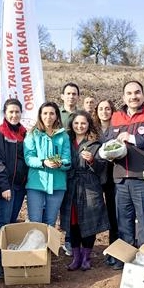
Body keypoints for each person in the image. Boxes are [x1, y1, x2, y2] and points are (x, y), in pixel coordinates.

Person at [105, 80, 144, 268]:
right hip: (120, 178)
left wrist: (131, 138)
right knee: (123, 222)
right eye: (129, 93)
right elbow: (108, 140)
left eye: (137, 92)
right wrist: (107, 151)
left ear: (143, 95)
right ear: (123, 97)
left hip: (142, 178)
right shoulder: (116, 116)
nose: (133, 97)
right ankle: (126, 261)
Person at [0, 98, 28, 279]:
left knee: (10, 224)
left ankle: (7, 259)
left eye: (17, 112)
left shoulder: (24, 133)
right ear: (5, 113)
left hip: (19, 187)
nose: (14, 115)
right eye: (11, 112)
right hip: (3, 187)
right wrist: (4, 186)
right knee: (2, 223)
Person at [66, 111, 109, 271]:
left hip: (90, 186)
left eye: (83, 123)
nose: (80, 126)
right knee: (73, 223)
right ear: (72, 125)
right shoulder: (66, 142)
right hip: (72, 186)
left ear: (89, 125)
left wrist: (92, 160)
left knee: (89, 221)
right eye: (76, 123)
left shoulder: (96, 144)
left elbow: (102, 168)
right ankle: (76, 257)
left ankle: (86, 258)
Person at [24, 101, 71, 226]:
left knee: (50, 222)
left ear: (56, 116)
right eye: (45, 113)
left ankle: (48, 240)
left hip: (57, 185)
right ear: (40, 115)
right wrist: (43, 162)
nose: (48, 116)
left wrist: (60, 163)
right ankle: (36, 240)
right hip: (36, 184)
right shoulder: (32, 134)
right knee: (35, 222)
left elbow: (67, 160)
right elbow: (28, 158)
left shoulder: (63, 136)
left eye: (51, 113)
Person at [58, 83, 81, 256]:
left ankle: (70, 239)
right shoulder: (56, 114)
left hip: (76, 164)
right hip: (57, 165)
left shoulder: (81, 115)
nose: (71, 96)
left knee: (73, 204)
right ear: (62, 96)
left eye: (74, 94)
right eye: (68, 93)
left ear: (78, 97)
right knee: (59, 203)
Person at [95, 99, 119, 246]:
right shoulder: (92, 129)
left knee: (113, 211)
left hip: (112, 174)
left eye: (107, 108)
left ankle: (114, 245)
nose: (104, 112)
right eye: (101, 109)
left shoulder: (118, 128)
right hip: (96, 174)